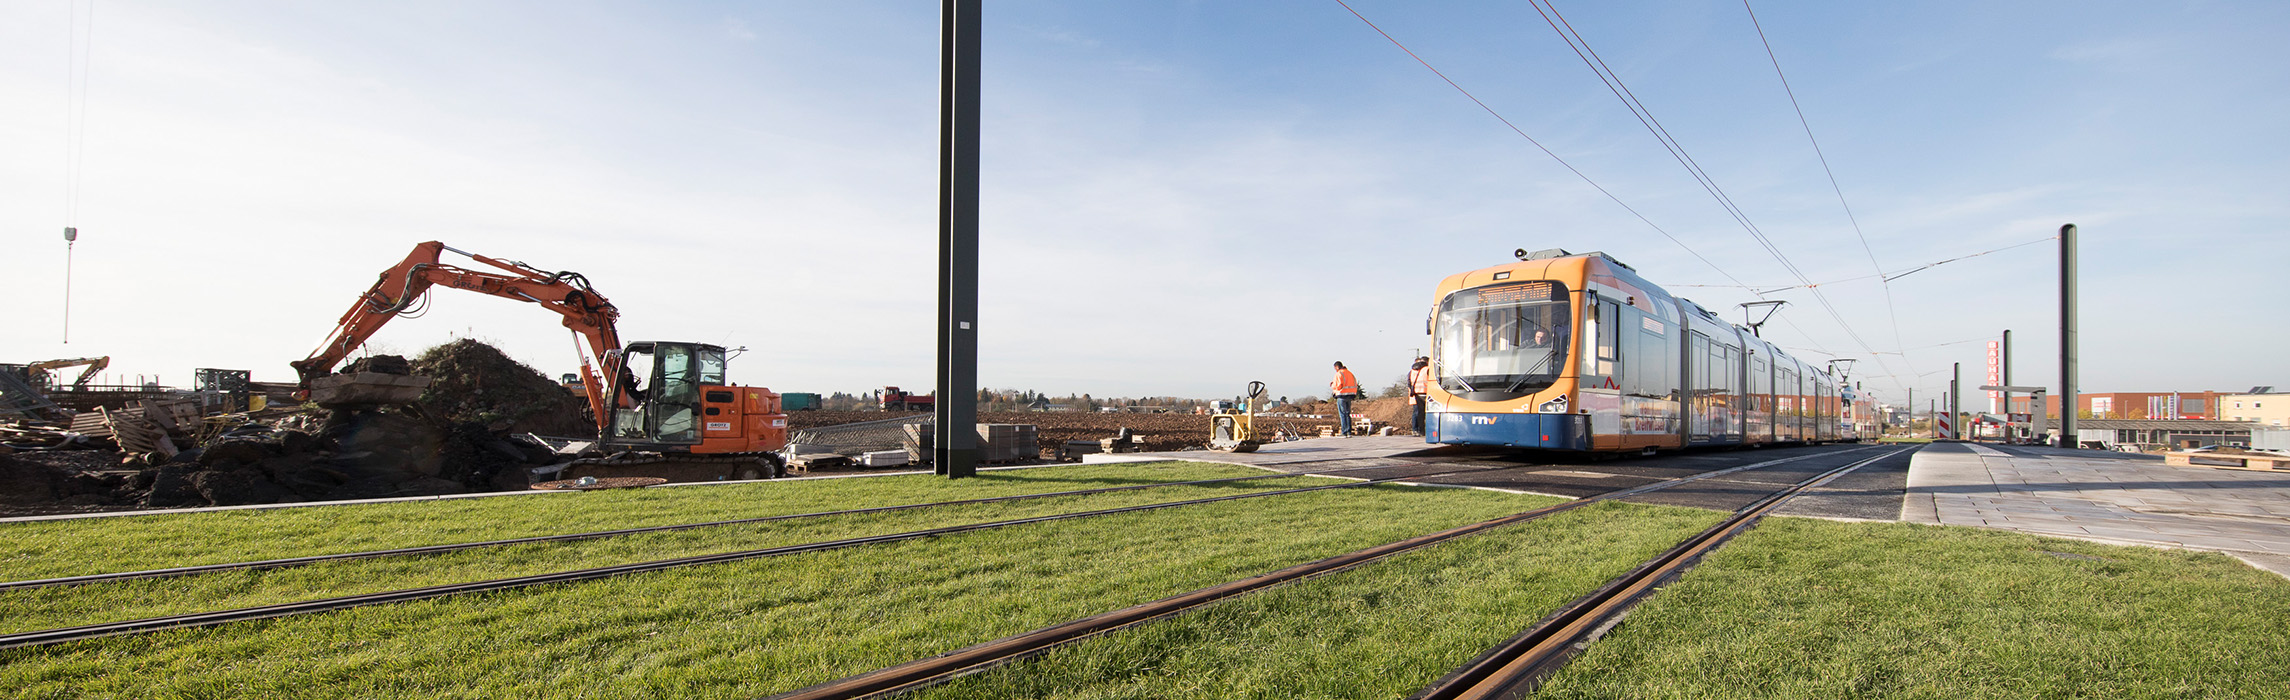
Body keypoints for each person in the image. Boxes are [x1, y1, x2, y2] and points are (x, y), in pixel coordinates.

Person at [1330, 361, 1361, 437]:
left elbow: (1339, 385)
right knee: (1347, 414)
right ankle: (1349, 432)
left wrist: (1333, 385)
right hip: (1350, 396)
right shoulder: (1350, 373)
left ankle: (1344, 432)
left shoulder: (1339, 374)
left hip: (1341, 396)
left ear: (1337, 367)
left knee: (1342, 414)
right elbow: (1355, 384)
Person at [1406, 356, 1431, 435]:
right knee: (1427, 413)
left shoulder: (1412, 371)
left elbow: (1409, 383)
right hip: (1427, 393)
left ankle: (1419, 430)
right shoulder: (1427, 369)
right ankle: (1426, 430)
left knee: (1418, 413)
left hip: (1416, 393)